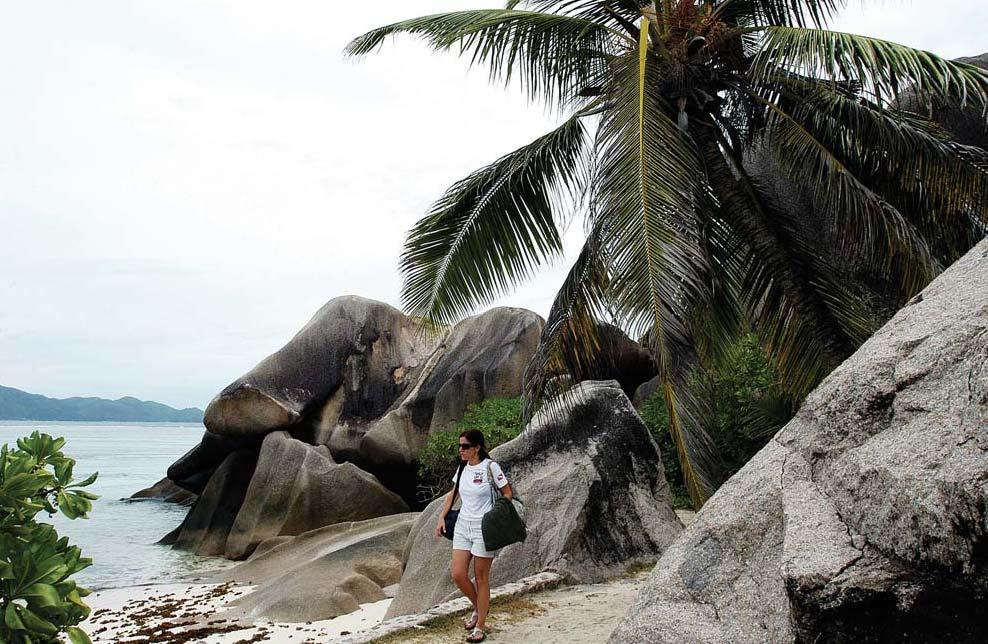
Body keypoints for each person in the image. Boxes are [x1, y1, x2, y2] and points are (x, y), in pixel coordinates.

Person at [435, 428, 512, 643]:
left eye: (465, 446)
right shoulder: (462, 468)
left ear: (477, 447)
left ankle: (479, 626)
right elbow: (453, 494)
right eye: (460, 446)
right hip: (463, 526)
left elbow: (507, 493)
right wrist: (441, 518)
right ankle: (479, 608)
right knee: (458, 574)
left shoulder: (490, 467)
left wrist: (496, 514)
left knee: (481, 577)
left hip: (483, 528)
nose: (461, 450)